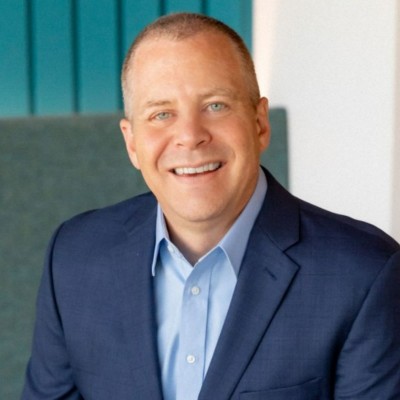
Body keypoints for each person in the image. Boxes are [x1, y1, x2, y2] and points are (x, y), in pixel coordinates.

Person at [22, 12, 400, 400]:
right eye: (161, 114)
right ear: (132, 142)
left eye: (216, 106)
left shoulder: (363, 275)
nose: (189, 136)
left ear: (259, 123)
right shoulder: (74, 258)